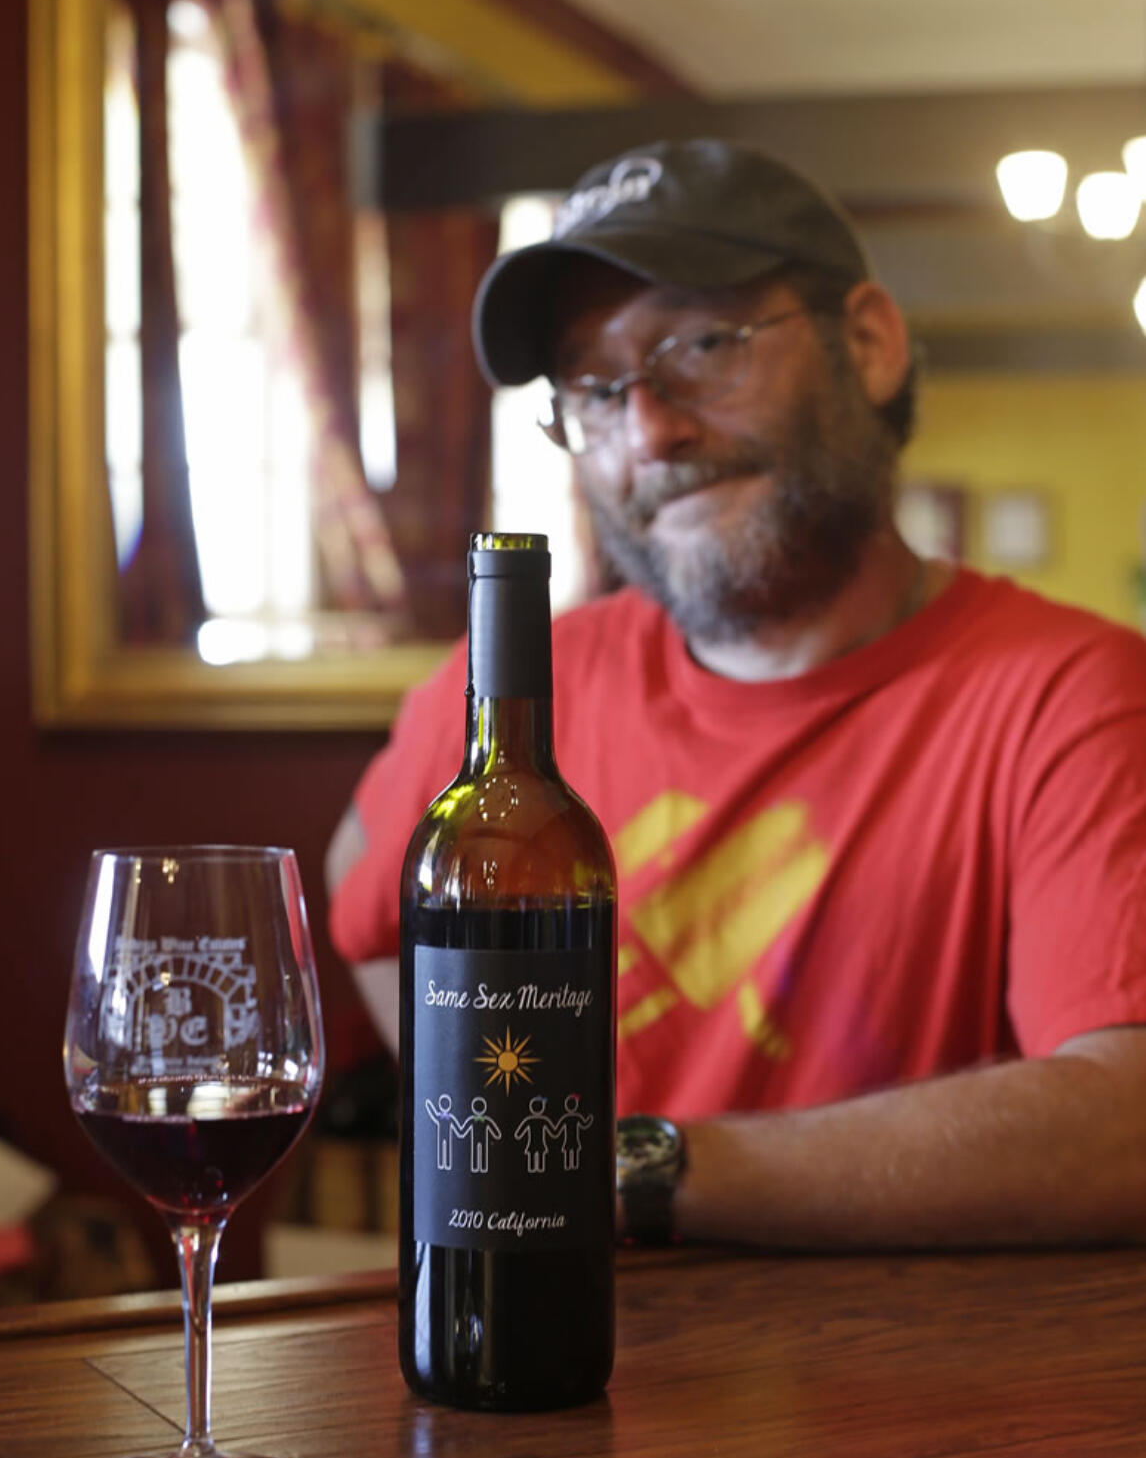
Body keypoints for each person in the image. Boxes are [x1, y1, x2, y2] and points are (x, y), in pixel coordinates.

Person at [326, 138, 1146, 1250]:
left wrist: (619, 1173)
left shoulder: (1066, 695)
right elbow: (361, 886)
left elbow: (1122, 1121)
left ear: (867, 344)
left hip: (909, 1387)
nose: (649, 428)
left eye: (701, 344)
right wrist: (478, 1135)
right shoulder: (517, 694)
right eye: (592, 389)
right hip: (570, 1367)